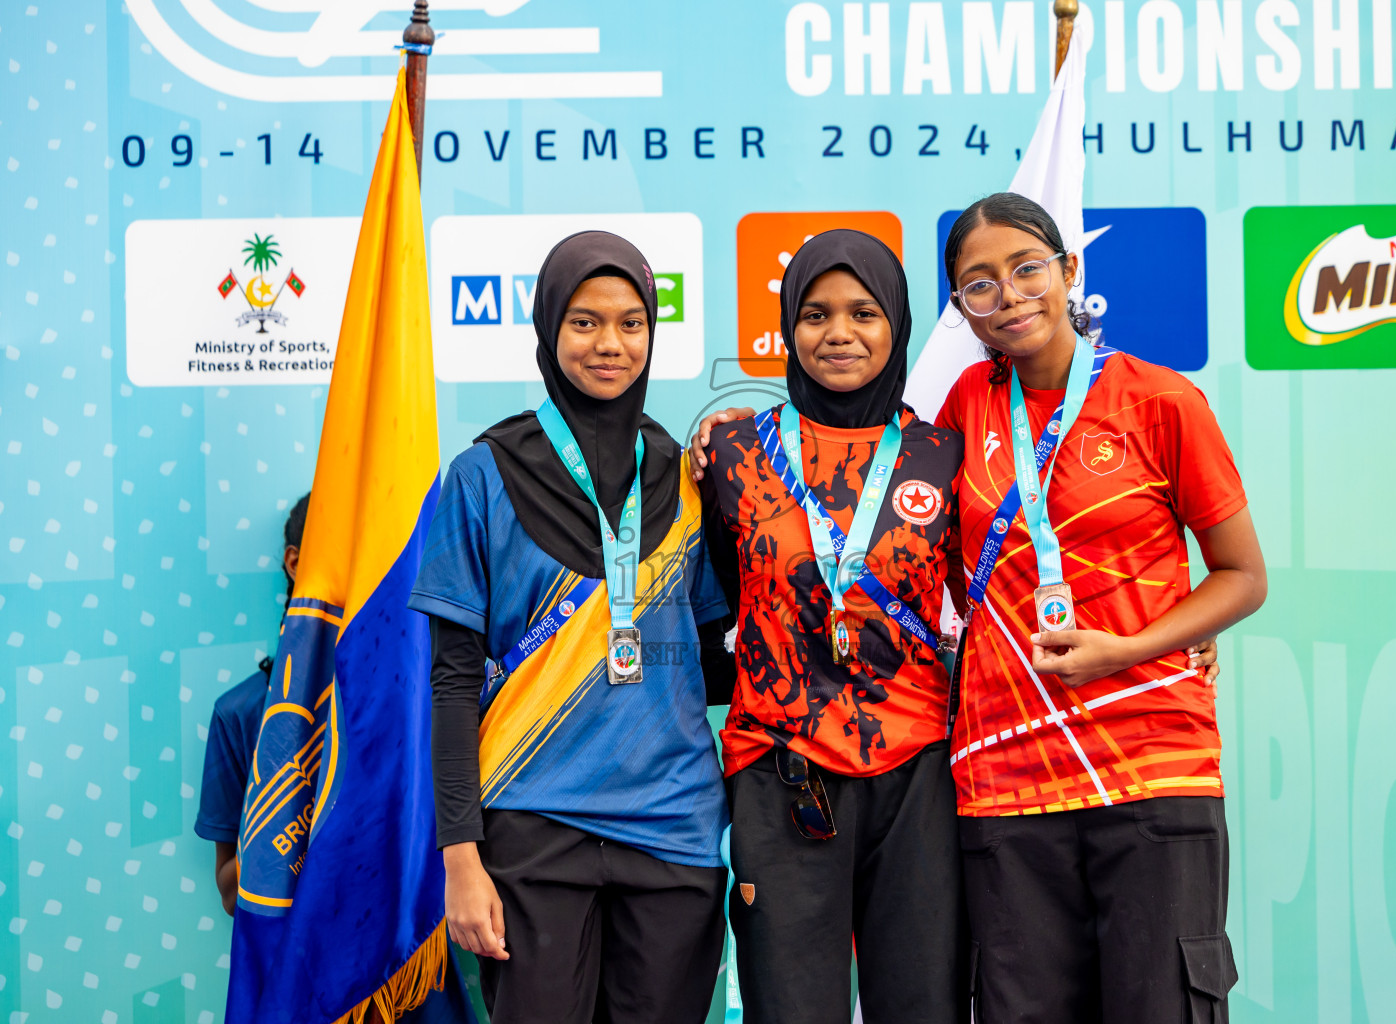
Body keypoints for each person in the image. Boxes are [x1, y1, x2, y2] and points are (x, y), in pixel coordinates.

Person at [935, 192, 1267, 1023]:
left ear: (1070, 272)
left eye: (1026, 270)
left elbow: (1241, 577)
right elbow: (930, 566)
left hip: (1149, 765)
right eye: (979, 285)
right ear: (962, 309)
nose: (1008, 297)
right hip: (1005, 779)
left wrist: (1137, 645)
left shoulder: (1161, 400)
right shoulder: (964, 409)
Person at [408, 231, 735, 1024]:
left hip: (674, 829)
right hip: (530, 825)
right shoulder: (482, 474)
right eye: (584, 322)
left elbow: (716, 663)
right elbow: (450, 680)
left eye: (631, 323)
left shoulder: (687, 475)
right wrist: (460, 858)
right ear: (549, 329)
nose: (610, 344)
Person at [693, 230, 969, 1024]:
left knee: (923, 1005)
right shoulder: (735, 449)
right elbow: (710, 601)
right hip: (780, 773)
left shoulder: (940, 454)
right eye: (815, 314)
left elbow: (1002, 597)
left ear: (899, 325)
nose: (839, 332)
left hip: (918, 771)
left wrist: (1177, 636)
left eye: (863, 312)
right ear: (789, 329)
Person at [195, 493, 309, 916]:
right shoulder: (239, 712)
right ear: (294, 563)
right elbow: (229, 893)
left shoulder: (397, 704)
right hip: (287, 964)